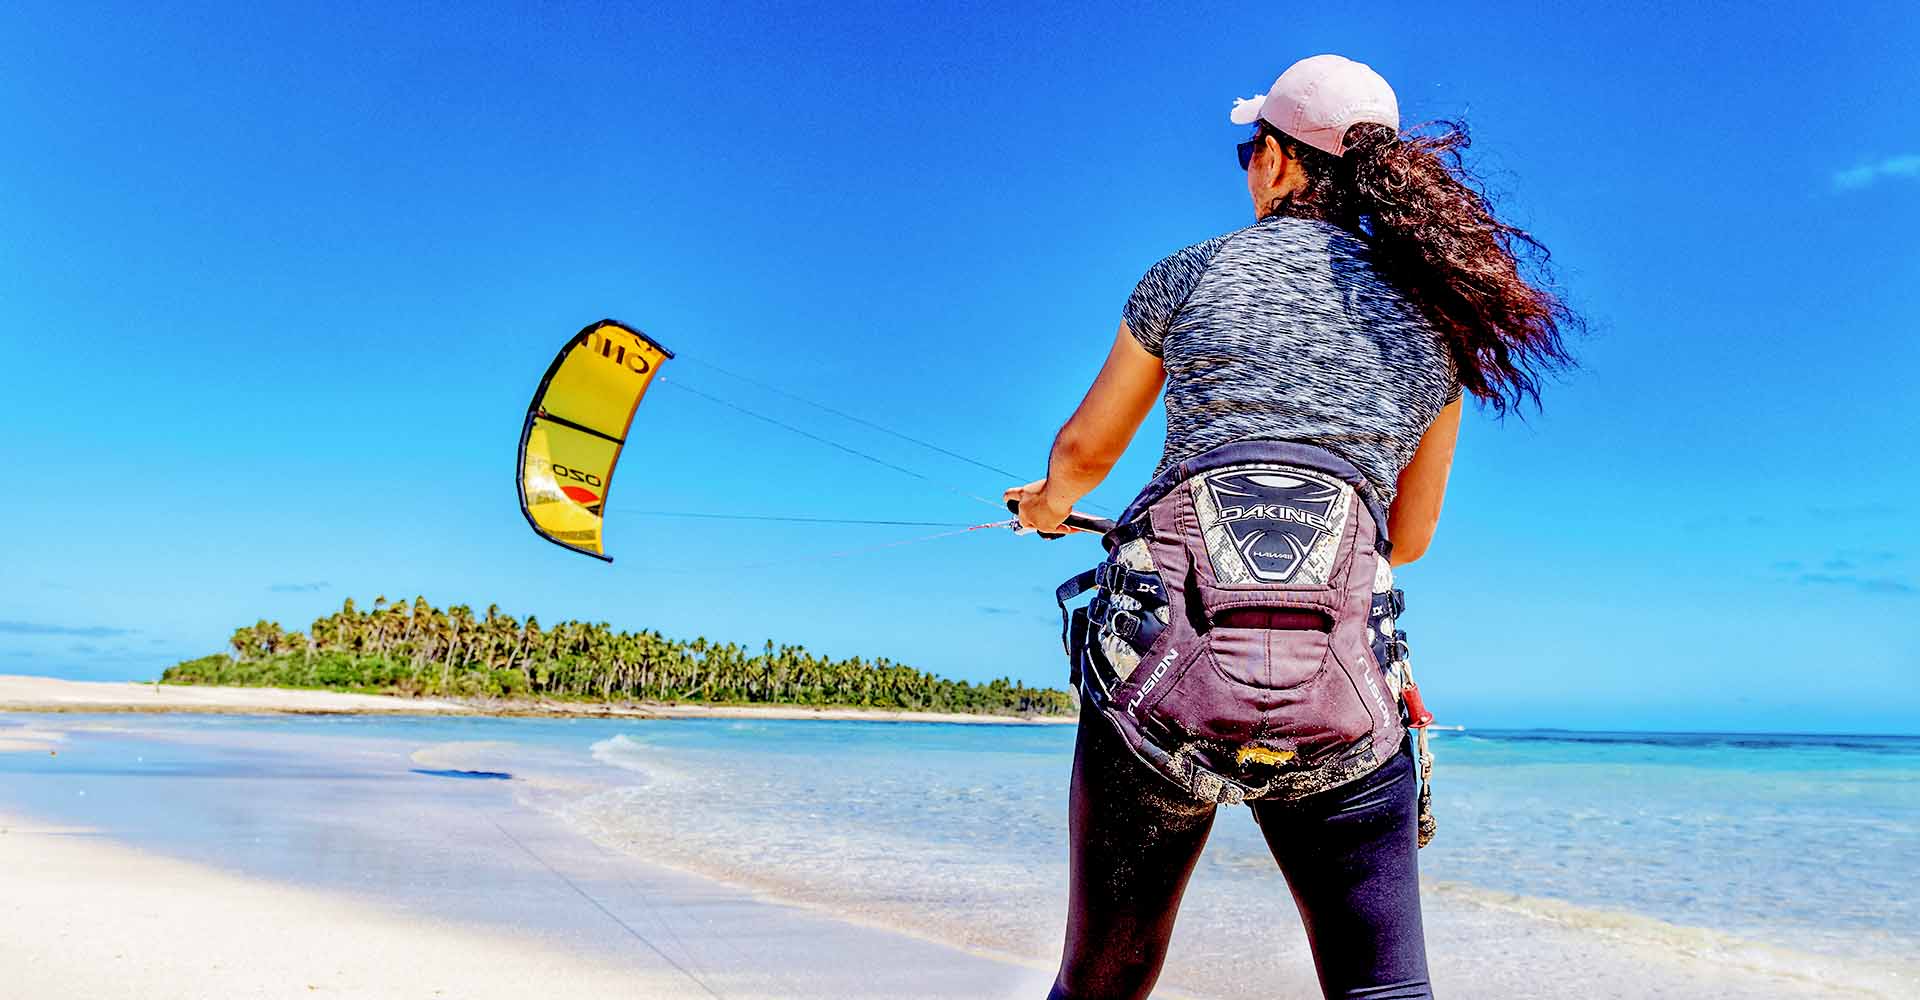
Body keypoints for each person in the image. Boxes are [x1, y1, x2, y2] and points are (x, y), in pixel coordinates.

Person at [1004, 54, 1580, 1000]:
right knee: (1382, 990)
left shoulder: (1189, 273)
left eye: (1247, 148)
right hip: (1340, 699)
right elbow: (1408, 538)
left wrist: (1048, 509)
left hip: (1163, 688)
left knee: (1102, 980)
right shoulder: (1439, 324)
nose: (1246, 166)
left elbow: (1083, 456)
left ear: (1274, 158)